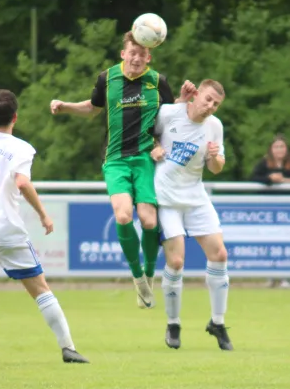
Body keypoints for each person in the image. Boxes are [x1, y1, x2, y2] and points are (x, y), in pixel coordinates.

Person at [50, 31, 195, 309]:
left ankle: (150, 273)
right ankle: (138, 277)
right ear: (123, 54)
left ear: (149, 57)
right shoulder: (107, 78)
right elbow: (93, 109)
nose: (137, 58)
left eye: (143, 54)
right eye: (133, 52)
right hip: (115, 158)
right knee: (124, 214)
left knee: (150, 222)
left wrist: (181, 100)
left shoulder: (157, 81)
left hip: (144, 159)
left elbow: (169, 116)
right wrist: (65, 106)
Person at [0, 89, 89, 363]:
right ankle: (68, 348)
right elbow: (22, 183)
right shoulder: (21, 148)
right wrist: (43, 214)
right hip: (6, 231)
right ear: (15, 117)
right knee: (40, 289)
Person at [152, 79, 233, 350]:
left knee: (219, 254)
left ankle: (217, 322)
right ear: (196, 94)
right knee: (176, 262)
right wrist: (153, 147)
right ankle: (173, 323)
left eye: (216, 104)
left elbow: (217, 167)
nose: (210, 106)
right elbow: (144, 134)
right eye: (208, 99)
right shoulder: (169, 112)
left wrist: (214, 158)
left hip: (196, 198)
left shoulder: (215, 126)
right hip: (167, 198)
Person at [250, 134, 290, 288]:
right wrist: (270, 179)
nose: (279, 150)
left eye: (282, 147)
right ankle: (273, 277)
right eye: (276, 147)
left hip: (286, 211)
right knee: (271, 243)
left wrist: (283, 181)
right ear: (271, 150)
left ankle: (285, 277)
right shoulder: (264, 164)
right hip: (269, 213)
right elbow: (253, 178)